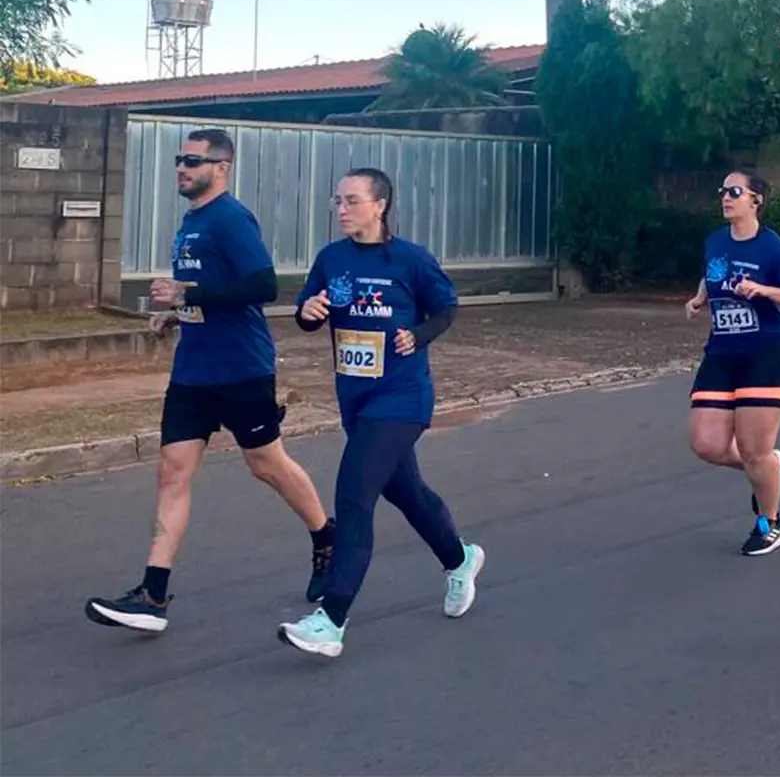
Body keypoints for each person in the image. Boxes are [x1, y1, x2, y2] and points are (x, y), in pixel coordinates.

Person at [86, 129, 333, 636]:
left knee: (267, 465)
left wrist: (188, 294)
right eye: (180, 159)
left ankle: (327, 539)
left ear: (221, 167)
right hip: (193, 372)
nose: (182, 167)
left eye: (193, 160)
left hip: (242, 369)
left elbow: (262, 285)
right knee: (172, 473)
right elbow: (207, 291)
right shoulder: (191, 222)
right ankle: (153, 596)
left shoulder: (231, 219)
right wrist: (177, 312)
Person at [276, 168, 484, 658]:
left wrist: (420, 335)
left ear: (380, 205)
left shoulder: (411, 259)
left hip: (402, 398)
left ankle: (331, 619)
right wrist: (308, 312)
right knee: (406, 491)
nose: (341, 209)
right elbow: (308, 312)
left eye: (352, 200)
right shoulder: (332, 258)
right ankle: (459, 559)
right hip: (356, 398)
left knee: (354, 495)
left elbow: (446, 307)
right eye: (338, 201)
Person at [685, 168, 780, 555]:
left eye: (735, 192)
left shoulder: (772, 248)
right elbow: (711, 276)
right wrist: (700, 298)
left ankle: (770, 524)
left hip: (768, 353)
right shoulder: (715, 241)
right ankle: (767, 466)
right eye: (723, 191)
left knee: (753, 447)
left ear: (756, 200)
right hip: (722, 353)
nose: (725, 197)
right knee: (706, 444)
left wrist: (764, 289)